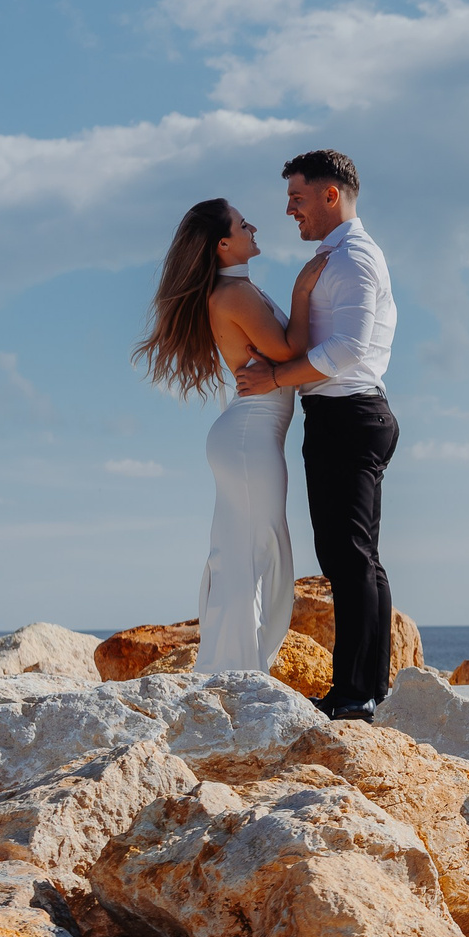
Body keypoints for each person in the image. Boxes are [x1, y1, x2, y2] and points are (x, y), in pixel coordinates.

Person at [237, 149, 399, 721]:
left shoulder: (353, 258)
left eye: (297, 199)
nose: (289, 212)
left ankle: (355, 695)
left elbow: (348, 349)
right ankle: (367, 688)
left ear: (331, 196)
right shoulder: (335, 258)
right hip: (342, 416)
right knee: (352, 557)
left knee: (348, 557)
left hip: (349, 416)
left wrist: (277, 377)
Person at [132, 198, 304, 674]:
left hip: (249, 435)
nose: (254, 227)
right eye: (243, 223)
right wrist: (309, 287)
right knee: (250, 555)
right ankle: (235, 673)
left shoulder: (240, 290)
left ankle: (237, 670)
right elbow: (290, 349)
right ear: (224, 244)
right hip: (249, 437)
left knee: (249, 553)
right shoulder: (234, 296)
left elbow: (284, 357)